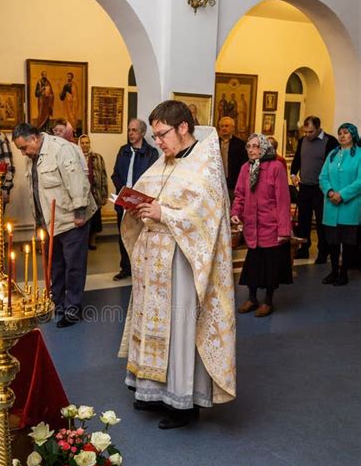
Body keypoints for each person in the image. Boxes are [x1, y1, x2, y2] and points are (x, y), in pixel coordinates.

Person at [118, 100, 236, 429]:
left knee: (179, 329)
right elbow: (147, 195)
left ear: (182, 127)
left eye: (161, 135)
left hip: (183, 264)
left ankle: (182, 403)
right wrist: (132, 204)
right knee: (152, 327)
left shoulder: (205, 166)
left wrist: (163, 214)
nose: (158, 142)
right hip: (153, 263)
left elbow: (207, 218)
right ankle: (151, 391)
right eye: (155, 136)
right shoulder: (164, 163)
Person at [12, 123, 96, 328]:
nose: (23, 153)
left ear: (34, 138)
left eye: (23, 148)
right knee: (55, 266)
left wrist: (79, 213)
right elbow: (37, 189)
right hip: (49, 221)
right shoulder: (32, 157)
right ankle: (56, 303)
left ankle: (72, 309)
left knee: (73, 267)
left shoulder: (61, 149)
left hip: (71, 219)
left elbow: (77, 182)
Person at [231, 133, 292, 317]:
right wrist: (235, 212)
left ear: (264, 148)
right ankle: (252, 298)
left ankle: (268, 301)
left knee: (270, 267)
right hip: (252, 225)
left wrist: (284, 229)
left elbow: (283, 200)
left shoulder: (276, 167)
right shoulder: (245, 168)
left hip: (271, 225)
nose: (251, 150)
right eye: (248, 146)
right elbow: (240, 193)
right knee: (253, 264)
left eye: (255, 146)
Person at [111, 118, 159, 280]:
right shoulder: (122, 150)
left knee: (141, 236)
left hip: (140, 203)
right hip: (123, 201)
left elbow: (153, 179)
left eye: (134, 130)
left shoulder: (151, 153)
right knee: (124, 234)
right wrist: (123, 192)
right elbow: (115, 174)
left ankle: (141, 269)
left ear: (143, 132)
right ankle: (125, 268)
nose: (130, 133)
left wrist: (137, 197)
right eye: (129, 130)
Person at [290, 115, 338, 262]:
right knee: (303, 220)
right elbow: (297, 159)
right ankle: (304, 249)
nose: (307, 135)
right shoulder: (302, 141)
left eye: (310, 131)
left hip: (321, 189)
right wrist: (293, 173)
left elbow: (333, 165)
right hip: (304, 186)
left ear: (318, 128)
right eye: (305, 132)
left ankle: (323, 251)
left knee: (321, 222)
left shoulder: (330, 141)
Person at [319, 123, 361, 286]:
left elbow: (360, 181)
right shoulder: (332, 154)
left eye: (346, 133)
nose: (342, 136)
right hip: (331, 206)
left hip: (350, 206)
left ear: (353, 135)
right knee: (333, 242)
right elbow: (322, 177)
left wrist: (342, 195)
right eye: (340, 133)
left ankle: (344, 273)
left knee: (348, 242)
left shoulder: (359, 154)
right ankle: (334, 270)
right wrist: (330, 192)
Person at [78, 134, 108, 250]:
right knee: (83, 219)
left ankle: (93, 240)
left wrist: (104, 194)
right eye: (83, 143)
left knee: (95, 220)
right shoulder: (75, 157)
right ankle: (83, 242)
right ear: (79, 144)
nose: (85, 145)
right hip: (81, 195)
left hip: (95, 193)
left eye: (87, 142)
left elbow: (104, 176)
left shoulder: (98, 157)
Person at [218, 116, 247, 195]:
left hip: (234, 184)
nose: (224, 128)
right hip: (217, 183)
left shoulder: (241, 144)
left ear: (233, 128)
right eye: (222, 126)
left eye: (227, 126)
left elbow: (244, 165)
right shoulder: (214, 143)